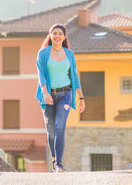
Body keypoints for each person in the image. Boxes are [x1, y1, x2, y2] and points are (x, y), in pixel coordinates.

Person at [35, 23, 85, 173]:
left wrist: (81, 97)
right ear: (50, 35)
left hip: (66, 95)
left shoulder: (69, 54)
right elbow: (41, 74)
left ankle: (59, 164)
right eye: (54, 33)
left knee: (59, 127)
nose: (57, 36)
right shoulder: (43, 53)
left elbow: (75, 76)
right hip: (48, 95)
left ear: (64, 37)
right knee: (50, 130)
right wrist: (45, 93)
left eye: (60, 34)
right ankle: (54, 159)